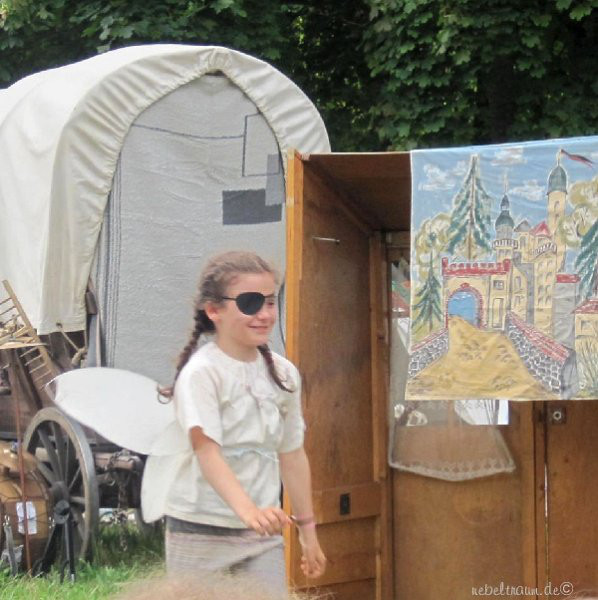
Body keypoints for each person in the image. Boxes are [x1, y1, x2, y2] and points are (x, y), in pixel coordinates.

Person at [143, 251, 326, 595]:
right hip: (198, 528)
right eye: (250, 303)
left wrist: (308, 531)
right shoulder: (203, 373)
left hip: (261, 533)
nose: (264, 314)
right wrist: (248, 511)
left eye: (270, 302)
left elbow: (292, 454)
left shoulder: (284, 374)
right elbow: (207, 452)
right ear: (214, 311)